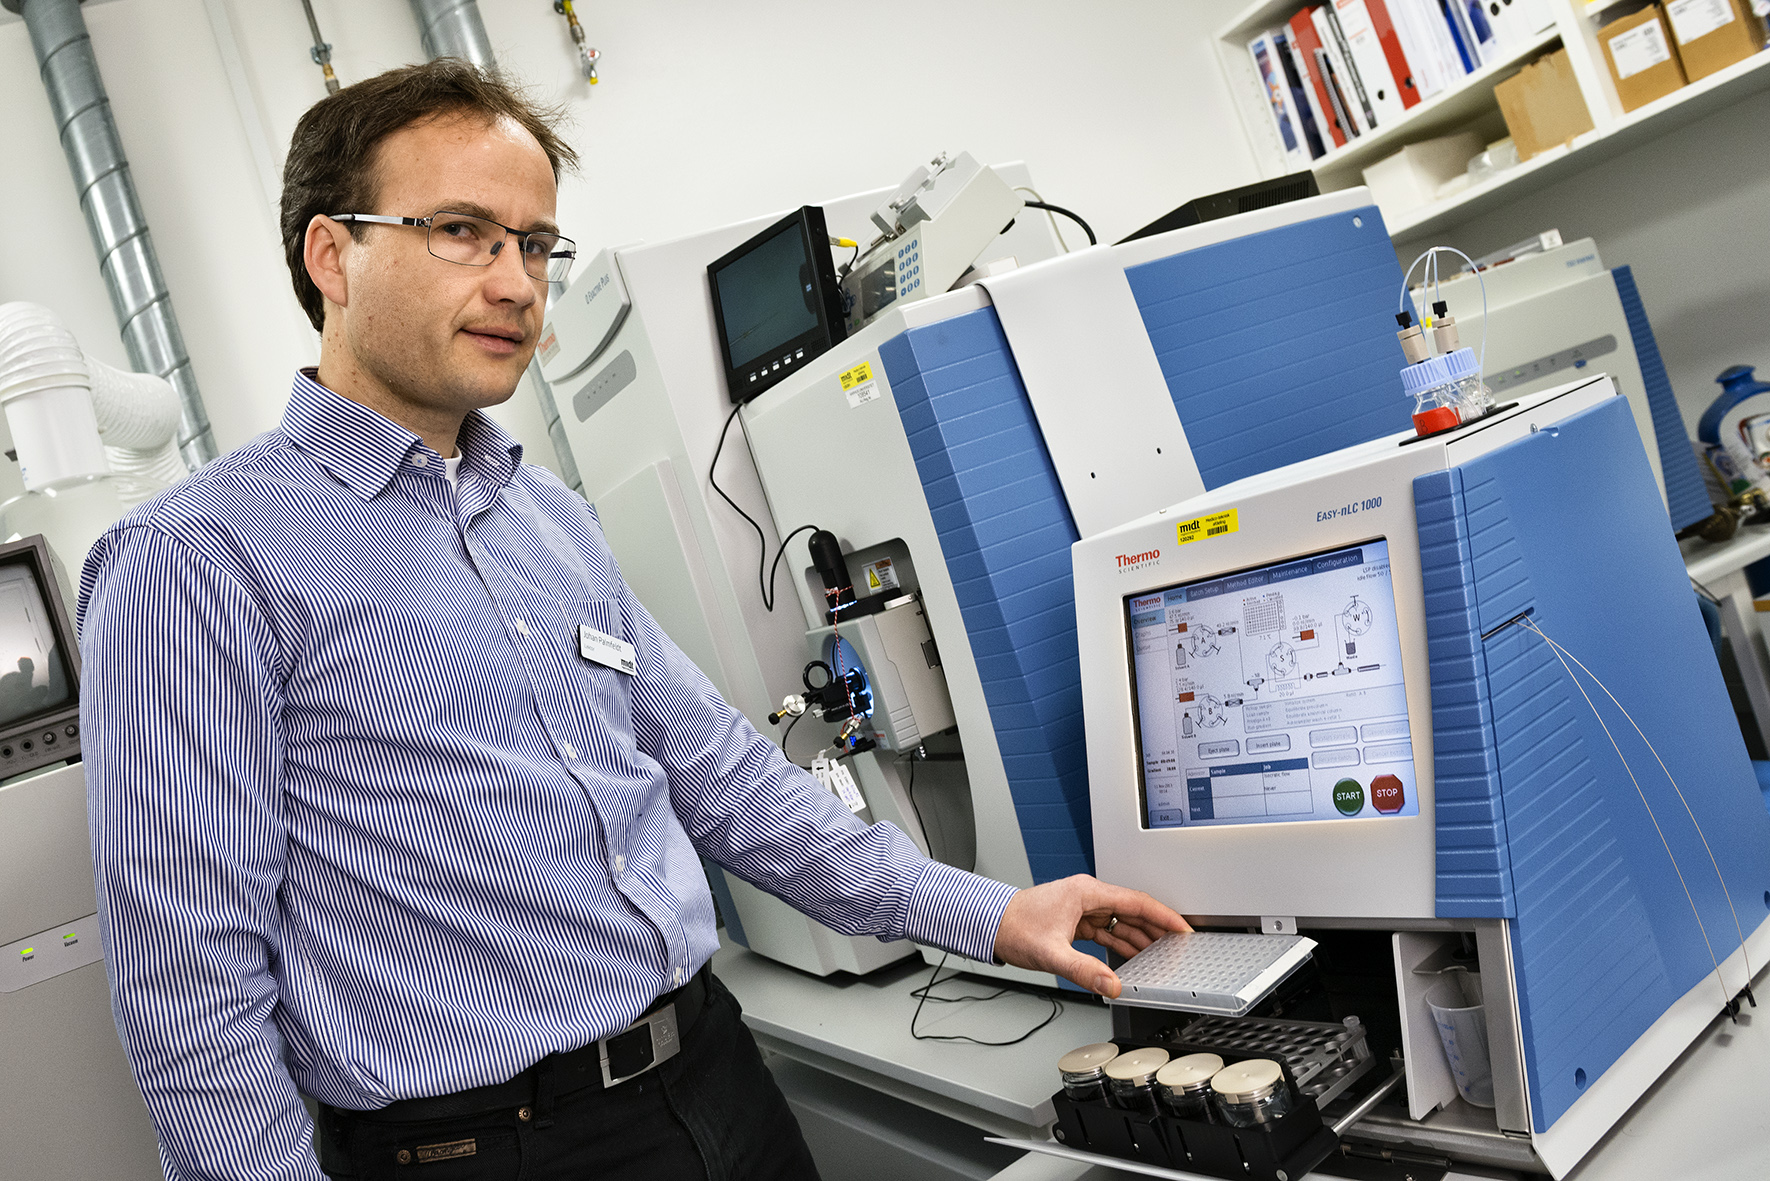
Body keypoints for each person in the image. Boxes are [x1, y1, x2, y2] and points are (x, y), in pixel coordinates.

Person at [78, 60, 1186, 1181]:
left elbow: (724, 777)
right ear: (333, 255)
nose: (517, 282)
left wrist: (992, 912)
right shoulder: (194, 559)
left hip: (713, 1080)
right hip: (481, 1150)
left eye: (535, 243)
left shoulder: (544, 512)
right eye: (463, 230)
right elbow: (190, 984)